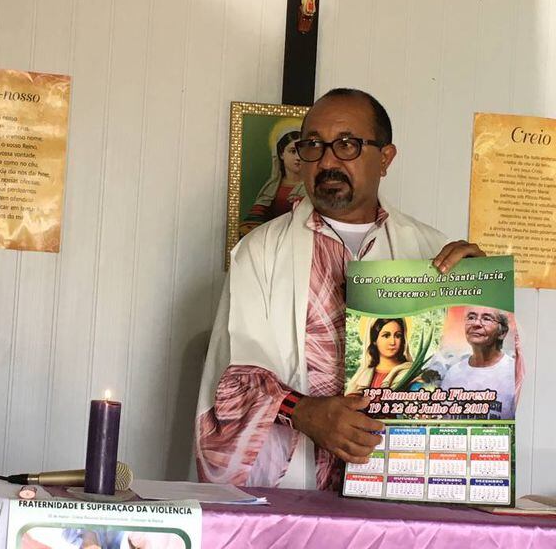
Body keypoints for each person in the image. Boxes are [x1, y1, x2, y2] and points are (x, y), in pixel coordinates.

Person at [195, 88, 485, 491]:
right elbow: (233, 374)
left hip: (401, 481)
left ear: (385, 158)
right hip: (290, 488)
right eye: (313, 145)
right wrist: (303, 412)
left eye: (347, 144)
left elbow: (476, 373)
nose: (328, 161)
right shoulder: (259, 251)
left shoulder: (432, 251)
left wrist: (480, 288)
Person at [440, 306, 516, 419]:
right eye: (471, 317)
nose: (476, 324)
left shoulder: (514, 372)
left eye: (486, 319)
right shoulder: (453, 373)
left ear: (502, 332)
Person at [239, 129, 307, 238]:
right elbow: (256, 216)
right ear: (281, 154)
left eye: (302, 152)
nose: (298, 157)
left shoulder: (312, 187)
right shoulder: (272, 187)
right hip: (270, 238)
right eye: (293, 151)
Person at [345, 318, 412, 395]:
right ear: (374, 340)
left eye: (398, 336)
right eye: (386, 336)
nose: (392, 342)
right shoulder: (363, 375)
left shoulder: (409, 372)